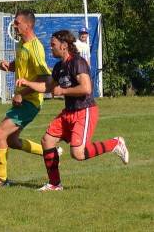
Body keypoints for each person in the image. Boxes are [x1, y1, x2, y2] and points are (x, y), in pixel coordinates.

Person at [16, 29, 129, 191]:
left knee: (78, 154)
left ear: (64, 46)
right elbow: (47, 86)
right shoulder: (59, 66)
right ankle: (54, 184)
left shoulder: (78, 62)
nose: (50, 47)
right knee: (47, 141)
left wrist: (62, 91)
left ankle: (115, 143)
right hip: (68, 112)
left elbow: (86, 88)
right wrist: (28, 83)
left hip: (85, 111)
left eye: (53, 44)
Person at [0, 9, 59, 187]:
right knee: (11, 141)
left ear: (28, 25)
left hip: (31, 101)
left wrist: (22, 93)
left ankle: (1, 178)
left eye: (17, 22)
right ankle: (50, 151)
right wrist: (8, 66)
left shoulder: (36, 48)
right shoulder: (22, 43)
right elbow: (19, 65)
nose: (14, 25)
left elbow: (44, 77)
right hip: (23, 100)